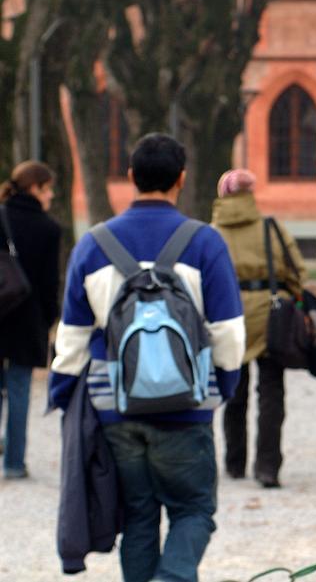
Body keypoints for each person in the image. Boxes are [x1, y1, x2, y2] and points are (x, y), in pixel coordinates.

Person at [50, 133, 246, 582]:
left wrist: (64, 396)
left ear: (132, 177)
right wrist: (224, 386)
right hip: (186, 406)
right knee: (194, 509)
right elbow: (229, 333)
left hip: (115, 405)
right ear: (181, 178)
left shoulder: (93, 244)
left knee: (138, 516)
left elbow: (72, 338)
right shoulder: (204, 243)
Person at [212, 169, 306, 488]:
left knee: (234, 392)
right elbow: (296, 271)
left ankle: (234, 462)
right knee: (271, 393)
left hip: (229, 315)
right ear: (250, 195)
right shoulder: (270, 227)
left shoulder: (211, 233)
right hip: (270, 315)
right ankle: (267, 467)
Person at [0, 161, 61, 479]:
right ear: (35, 188)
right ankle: (13, 462)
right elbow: (50, 283)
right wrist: (48, 318)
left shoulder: (1, 215)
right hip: (28, 317)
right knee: (20, 389)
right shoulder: (48, 228)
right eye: (48, 187)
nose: (50, 195)